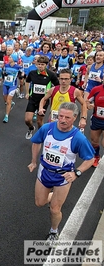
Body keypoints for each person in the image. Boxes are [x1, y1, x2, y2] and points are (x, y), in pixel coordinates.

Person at [27, 102, 94, 241]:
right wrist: (34, 161)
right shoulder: (47, 128)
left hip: (63, 177)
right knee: (40, 203)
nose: (62, 120)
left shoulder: (78, 138)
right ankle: (52, 196)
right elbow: (36, 141)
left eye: (67, 117)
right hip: (44, 171)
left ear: (74, 118)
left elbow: (90, 159)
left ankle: (53, 231)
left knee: (55, 209)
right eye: (60, 116)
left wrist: (77, 173)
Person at [24, 56, 59, 138]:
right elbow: (27, 81)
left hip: (44, 100)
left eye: (42, 64)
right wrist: (27, 92)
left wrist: (50, 91)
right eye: (38, 64)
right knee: (27, 120)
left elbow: (57, 86)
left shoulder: (51, 75)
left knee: (40, 122)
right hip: (33, 99)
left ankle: (40, 135)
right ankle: (31, 128)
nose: (40, 66)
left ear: (46, 65)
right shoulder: (32, 73)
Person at [87, 81, 104, 167]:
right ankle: (96, 157)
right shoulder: (96, 89)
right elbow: (87, 101)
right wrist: (89, 105)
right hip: (96, 119)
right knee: (94, 142)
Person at [2, 53, 22, 123]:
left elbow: (22, 73)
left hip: (13, 85)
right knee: (5, 99)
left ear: (14, 59)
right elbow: (3, 72)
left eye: (10, 57)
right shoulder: (6, 65)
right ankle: (12, 103)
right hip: (5, 84)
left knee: (8, 101)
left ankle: (6, 116)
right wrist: (4, 74)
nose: (9, 58)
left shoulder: (18, 67)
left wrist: (21, 76)